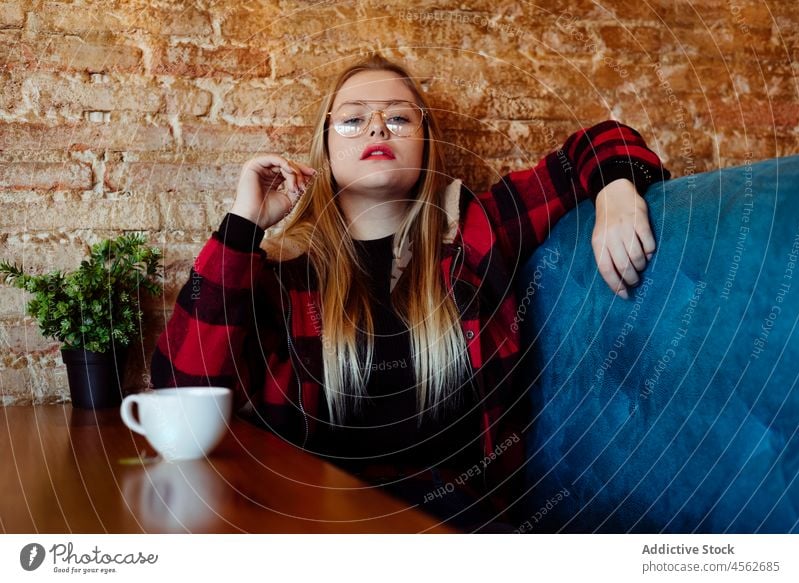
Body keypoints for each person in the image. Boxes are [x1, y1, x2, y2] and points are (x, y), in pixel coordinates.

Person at [150, 53, 672, 532]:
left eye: (398, 117)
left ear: (425, 142)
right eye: (354, 119)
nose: (377, 127)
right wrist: (243, 225)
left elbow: (604, 140)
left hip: (452, 518)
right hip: (309, 521)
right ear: (325, 149)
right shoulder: (285, 277)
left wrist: (617, 190)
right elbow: (180, 385)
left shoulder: (478, 230)